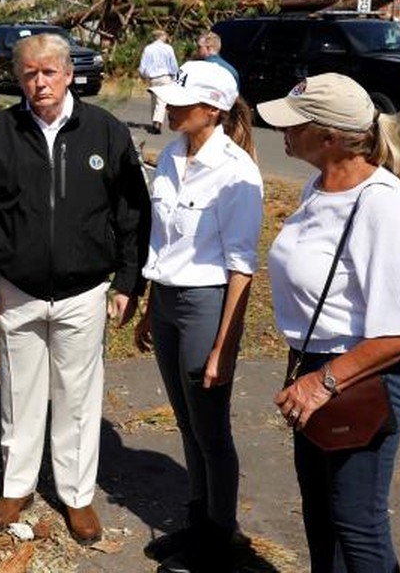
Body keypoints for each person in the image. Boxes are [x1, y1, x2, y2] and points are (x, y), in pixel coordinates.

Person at [0, 32, 151, 545]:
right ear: (18, 80)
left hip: (84, 292)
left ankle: (77, 497)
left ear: (69, 74)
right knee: (20, 395)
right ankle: (16, 488)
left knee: (78, 399)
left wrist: (128, 280)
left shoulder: (104, 132)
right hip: (15, 290)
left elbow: (132, 213)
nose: (39, 83)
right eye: (29, 74)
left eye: (48, 72)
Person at [258, 73, 400, 573]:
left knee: (357, 527)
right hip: (313, 366)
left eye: (295, 125)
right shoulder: (318, 186)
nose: (283, 132)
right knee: (322, 516)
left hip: (355, 378)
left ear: (330, 139)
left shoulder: (379, 203)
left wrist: (324, 382)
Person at [127, 61, 262, 571]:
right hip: (166, 302)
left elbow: (241, 268)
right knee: (186, 423)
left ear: (213, 108)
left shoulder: (236, 171)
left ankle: (219, 538)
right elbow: (161, 243)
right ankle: (197, 522)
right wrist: (146, 309)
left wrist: (224, 347)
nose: (169, 107)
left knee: (211, 428)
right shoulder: (170, 156)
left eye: (181, 101)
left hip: (206, 304)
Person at [138, 29, 179, 134]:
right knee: (162, 101)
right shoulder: (168, 48)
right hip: (165, 77)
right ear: (162, 36)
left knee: (155, 100)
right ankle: (157, 122)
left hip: (153, 78)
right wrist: (175, 76)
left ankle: (155, 121)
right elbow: (173, 65)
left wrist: (143, 76)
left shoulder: (148, 49)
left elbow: (142, 67)